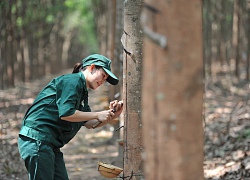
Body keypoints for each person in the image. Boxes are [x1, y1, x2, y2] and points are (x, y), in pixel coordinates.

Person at [18, 54, 123, 180]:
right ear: (92, 68)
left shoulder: (82, 92)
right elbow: (66, 113)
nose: (103, 81)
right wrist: (97, 114)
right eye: (103, 76)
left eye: (105, 79)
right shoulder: (72, 81)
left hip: (50, 145)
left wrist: (112, 115)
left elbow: (89, 123)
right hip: (37, 140)